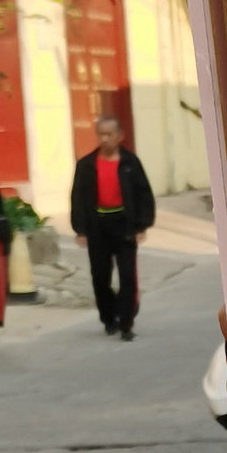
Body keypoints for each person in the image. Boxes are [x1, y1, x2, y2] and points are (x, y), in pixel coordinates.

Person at [70, 116, 153, 340]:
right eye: (101, 134)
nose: (105, 139)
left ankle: (126, 323)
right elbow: (78, 198)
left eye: (110, 134)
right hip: (98, 226)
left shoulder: (130, 163)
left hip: (124, 225)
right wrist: (80, 230)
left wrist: (142, 226)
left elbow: (143, 194)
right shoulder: (86, 165)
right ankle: (109, 318)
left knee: (128, 276)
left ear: (120, 136)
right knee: (100, 276)